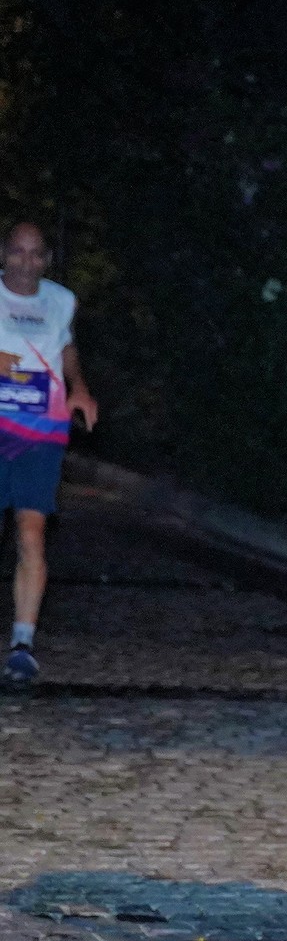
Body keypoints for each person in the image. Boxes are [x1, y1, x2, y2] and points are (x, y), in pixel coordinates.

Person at [0, 221, 100, 689]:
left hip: (42, 428)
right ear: (3, 253)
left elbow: (66, 346)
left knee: (31, 529)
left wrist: (79, 388)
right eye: (17, 252)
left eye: (35, 253)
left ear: (47, 259)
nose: (26, 262)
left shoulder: (60, 300)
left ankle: (22, 644)